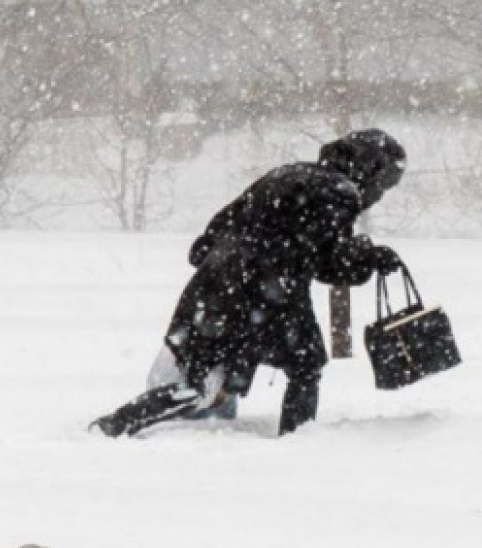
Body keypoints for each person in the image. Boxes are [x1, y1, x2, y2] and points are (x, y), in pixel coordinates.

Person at [91, 128, 406, 437]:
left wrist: (227, 265)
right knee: (305, 365)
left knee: (207, 374)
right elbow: (327, 259)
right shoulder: (339, 192)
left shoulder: (287, 173)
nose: (379, 194)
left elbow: (212, 235)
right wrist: (369, 257)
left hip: (216, 283)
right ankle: (298, 439)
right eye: (384, 183)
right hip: (270, 289)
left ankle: (122, 422)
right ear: (370, 170)